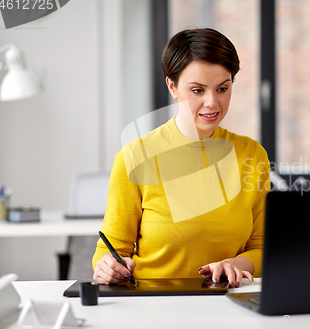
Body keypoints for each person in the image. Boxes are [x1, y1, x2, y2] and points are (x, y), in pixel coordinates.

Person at [92, 28, 270, 288]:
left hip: (228, 301)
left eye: (223, 88)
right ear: (172, 87)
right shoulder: (135, 157)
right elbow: (111, 248)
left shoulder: (252, 155)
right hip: (153, 303)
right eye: (198, 90)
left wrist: (237, 263)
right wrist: (107, 266)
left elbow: (262, 246)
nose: (212, 102)